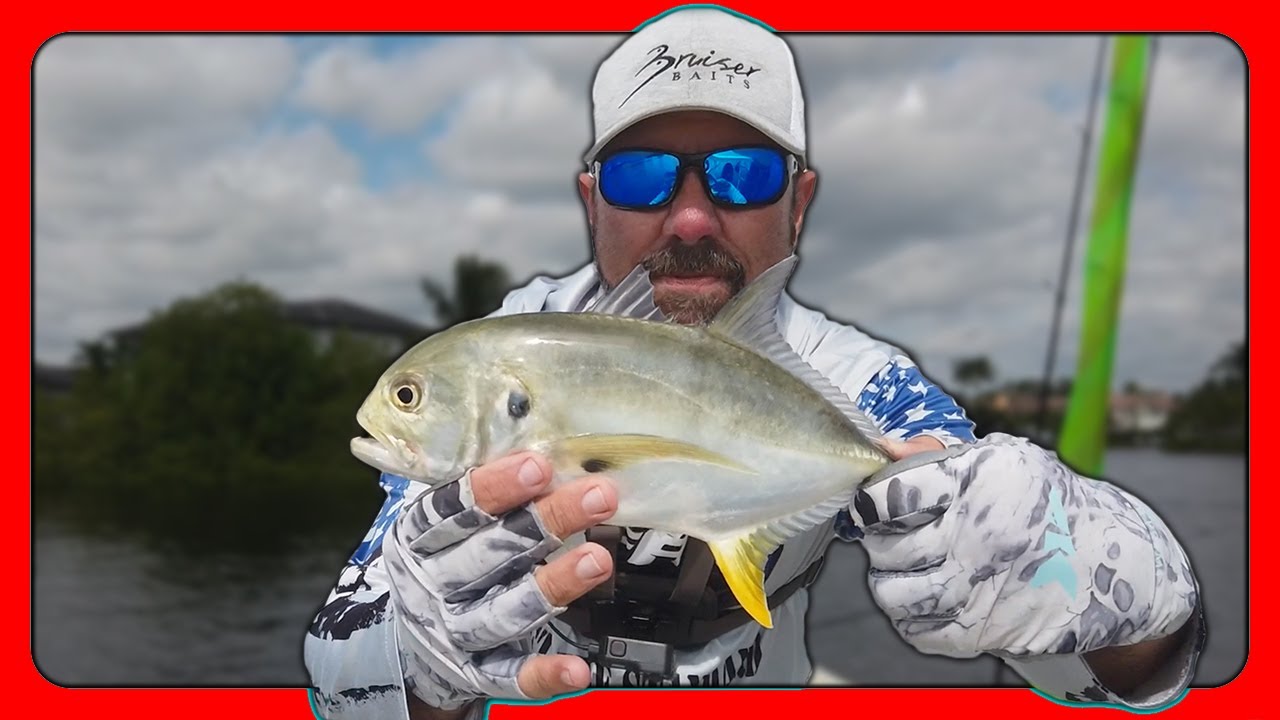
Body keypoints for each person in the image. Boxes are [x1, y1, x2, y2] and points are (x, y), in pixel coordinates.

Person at [303, 7, 1205, 719]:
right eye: (641, 178)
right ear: (591, 200)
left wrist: (1127, 592)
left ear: (800, 200)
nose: (690, 219)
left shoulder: (857, 387)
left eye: (740, 175)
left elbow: (1098, 669)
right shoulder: (503, 353)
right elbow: (345, 655)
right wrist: (421, 676)